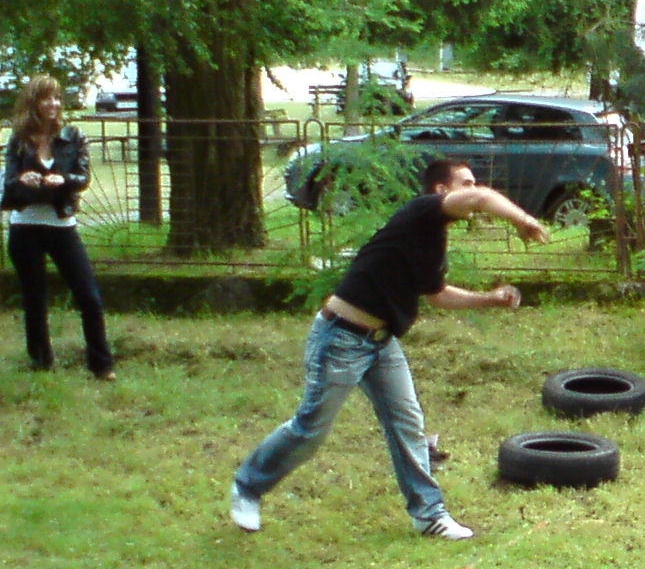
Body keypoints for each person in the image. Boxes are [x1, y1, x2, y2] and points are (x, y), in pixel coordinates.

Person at [229, 157, 550, 539]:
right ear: (441, 190)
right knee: (310, 429)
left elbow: (437, 295)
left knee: (407, 424)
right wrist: (522, 220)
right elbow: (482, 198)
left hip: (381, 344)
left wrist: (490, 300)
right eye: (465, 183)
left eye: (473, 183)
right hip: (342, 338)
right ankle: (247, 487)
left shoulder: (432, 238)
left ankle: (428, 514)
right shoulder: (422, 211)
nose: (473, 189)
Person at [1, 77, 114, 379]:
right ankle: (41, 361)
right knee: (35, 299)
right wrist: (23, 180)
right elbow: (8, 182)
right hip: (25, 225)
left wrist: (64, 180)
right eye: (46, 98)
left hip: (61, 224)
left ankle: (101, 364)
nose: (53, 104)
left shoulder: (72, 135)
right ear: (33, 103)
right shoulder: (18, 139)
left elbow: (83, 177)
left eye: (57, 98)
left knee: (88, 296)